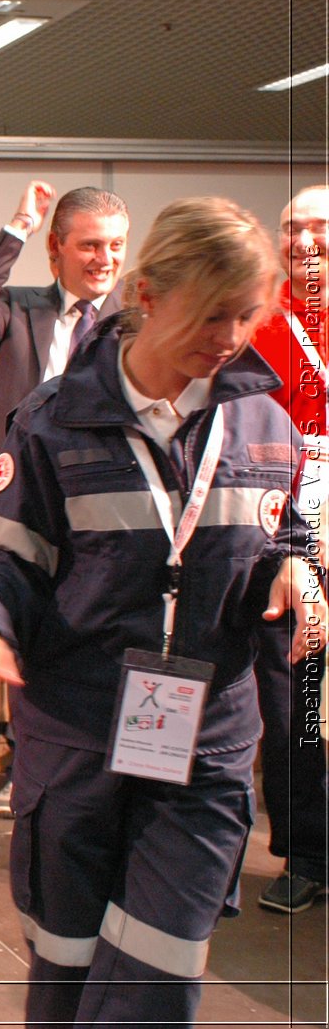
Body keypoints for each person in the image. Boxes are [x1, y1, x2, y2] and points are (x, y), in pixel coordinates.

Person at [0, 197, 324, 1027]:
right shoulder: (53, 420)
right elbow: (2, 553)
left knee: (157, 978)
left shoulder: (265, 423)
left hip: (209, 747)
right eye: (209, 313)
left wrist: (294, 567)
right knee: (66, 966)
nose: (228, 338)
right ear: (149, 293)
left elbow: (283, 531)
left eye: (246, 316)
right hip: (79, 738)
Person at [0, 180, 129, 816]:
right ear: (57, 252)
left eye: (116, 246)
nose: (104, 259)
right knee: (21, 640)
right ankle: (29, 769)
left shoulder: (133, 326)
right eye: (90, 245)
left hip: (101, 511)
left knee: (81, 642)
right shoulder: (22, 312)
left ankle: (87, 771)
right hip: (19, 506)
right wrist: (19, 222)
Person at [249, 183, 329, 913]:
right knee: (294, 696)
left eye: (318, 229)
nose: (304, 242)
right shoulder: (260, 325)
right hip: (292, 534)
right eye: (291, 230)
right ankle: (305, 852)